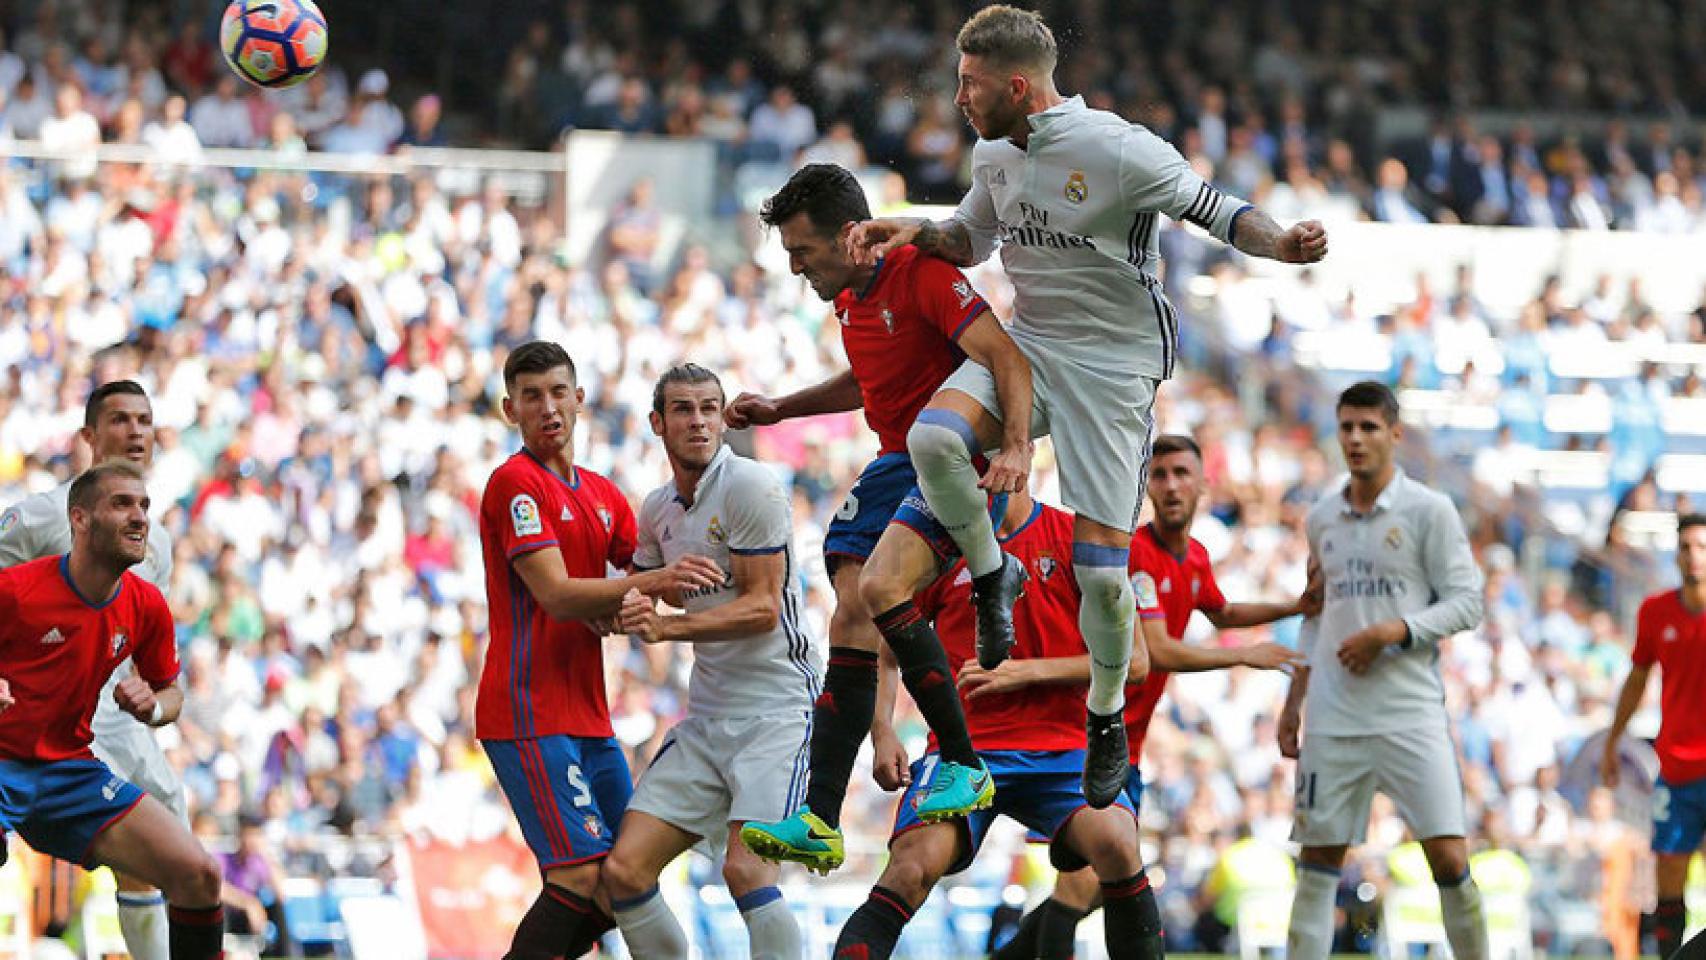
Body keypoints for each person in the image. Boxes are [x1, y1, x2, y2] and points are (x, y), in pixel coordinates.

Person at [846, 4, 1329, 807]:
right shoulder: (994, 152)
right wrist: (914, 232)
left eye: (969, 83)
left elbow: (1217, 209)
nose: (958, 98)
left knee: (1102, 576)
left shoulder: (1116, 148)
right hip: (1032, 346)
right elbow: (972, 237)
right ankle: (993, 575)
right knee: (934, 438)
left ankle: (1106, 715)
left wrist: (1281, 243)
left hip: (1112, 368)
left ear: (1017, 83)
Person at [733, 163, 1034, 870]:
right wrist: (781, 408)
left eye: (802, 251)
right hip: (895, 459)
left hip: (956, 460)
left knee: (877, 592)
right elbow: (867, 380)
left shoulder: (920, 273)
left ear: (848, 235)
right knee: (849, 614)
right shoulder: (846, 296)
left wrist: (1016, 451)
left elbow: (1006, 355)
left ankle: (964, 762)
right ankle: (820, 818)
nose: (795, 266)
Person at [981, 434, 1313, 960]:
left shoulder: (1197, 556)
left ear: (1205, 483)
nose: (1172, 485)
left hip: (1127, 748)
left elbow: (1222, 612)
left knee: (1089, 890)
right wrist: (1245, 656)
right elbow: (1154, 651)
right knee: (1082, 888)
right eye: (1159, 475)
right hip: (1091, 742)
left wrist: (1294, 605)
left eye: (1182, 473)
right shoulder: (1135, 556)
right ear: (1147, 488)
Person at [476, 342, 724, 960]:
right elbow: (559, 595)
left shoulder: (602, 494)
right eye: (531, 397)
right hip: (528, 710)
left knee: (626, 878)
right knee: (580, 879)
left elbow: (636, 575)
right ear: (511, 410)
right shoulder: (516, 486)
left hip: (589, 715)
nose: (548, 408)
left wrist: (635, 602)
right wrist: (649, 588)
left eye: (558, 392)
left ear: (580, 400)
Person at [833, 487, 1151, 960]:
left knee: (1120, 847)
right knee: (909, 868)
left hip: (1062, 752)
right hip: (962, 755)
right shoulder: (935, 546)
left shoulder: (1072, 539)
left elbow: (1138, 660)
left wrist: (1026, 670)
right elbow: (887, 655)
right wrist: (883, 731)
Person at [599, 364, 811, 960]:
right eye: (685, 410)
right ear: (657, 423)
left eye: (709, 409)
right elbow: (642, 588)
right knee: (625, 871)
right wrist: (624, 603)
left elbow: (763, 609)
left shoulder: (750, 486)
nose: (699, 422)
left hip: (777, 709)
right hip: (709, 713)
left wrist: (669, 626)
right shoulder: (658, 507)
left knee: (746, 872)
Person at [1279, 381, 1488, 960]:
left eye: (1369, 427)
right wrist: (1293, 702)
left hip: (1410, 713)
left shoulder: (1429, 510)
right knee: (1319, 859)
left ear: (1394, 434)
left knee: (1448, 856)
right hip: (1333, 715)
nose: (1355, 438)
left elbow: (1468, 602)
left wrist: (1393, 630)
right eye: (1346, 426)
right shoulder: (1322, 517)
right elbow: (1314, 616)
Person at [0, 460, 225, 959]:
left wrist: (154, 708)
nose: (140, 517)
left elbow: (172, 696)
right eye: (122, 503)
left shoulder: (145, 605)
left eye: (144, 505)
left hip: (69, 773)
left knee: (200, 875)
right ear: (79, 519)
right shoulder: (17, 590)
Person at [1601, 513, 1706, 960]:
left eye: (1702, 546)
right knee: (1668, 878)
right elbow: (1637, 679)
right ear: (1675, 554)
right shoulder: (1655, 611)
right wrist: (1612, 740)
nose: (1693, 556)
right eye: (1686, 547)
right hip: (1677, 770)